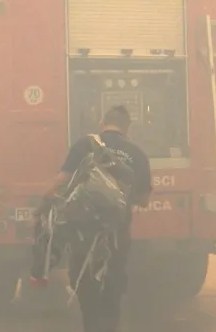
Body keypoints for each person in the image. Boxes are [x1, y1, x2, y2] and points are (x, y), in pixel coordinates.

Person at [41, 105, 152, 332]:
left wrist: (45, 200)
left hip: (83, 230)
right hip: (117, 232)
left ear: (102, 124)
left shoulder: (85, 145)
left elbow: (62, 179)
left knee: (84, 281)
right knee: (114, 283)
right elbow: (143, 200)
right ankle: (110, 326)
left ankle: (91, 324)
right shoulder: (137, 154)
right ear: (127, 128)